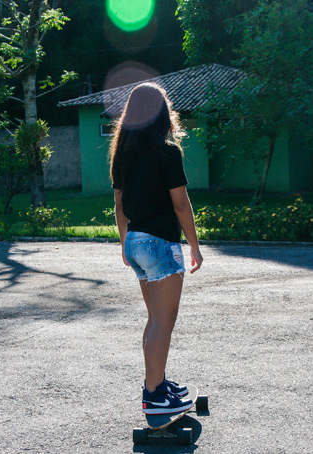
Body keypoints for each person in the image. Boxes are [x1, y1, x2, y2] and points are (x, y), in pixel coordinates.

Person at [110, 82, 203, 415]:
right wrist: (194, 246)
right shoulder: (167, 152)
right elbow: (180, 204)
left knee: (154, 321)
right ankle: (154, 398)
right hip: (160, 243)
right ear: (163, 113)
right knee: (163, 322)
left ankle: (158, 386)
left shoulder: (123, 155)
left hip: (136, 241)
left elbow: (120, 204)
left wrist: (125, 244)